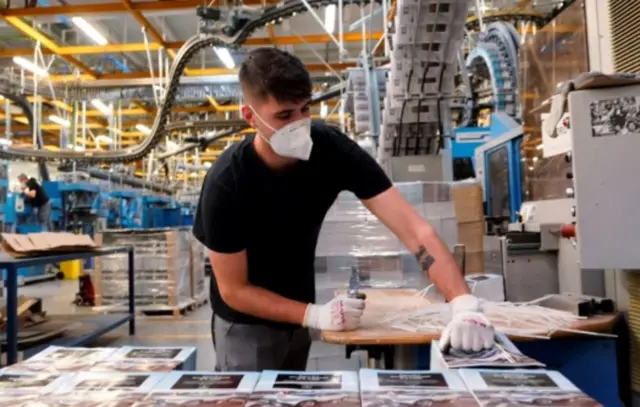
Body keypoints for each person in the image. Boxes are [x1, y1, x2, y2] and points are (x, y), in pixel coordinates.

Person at [193, 47, 494, 372]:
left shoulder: (331, 152)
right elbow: (234, 290)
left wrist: (463, 303)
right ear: (251, 116)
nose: (299, 124)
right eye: (284, 115)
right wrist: (315, 314)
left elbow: (414, 230)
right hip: (245, 327)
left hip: (299, 319)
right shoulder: (227, 183)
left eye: (305, 109)